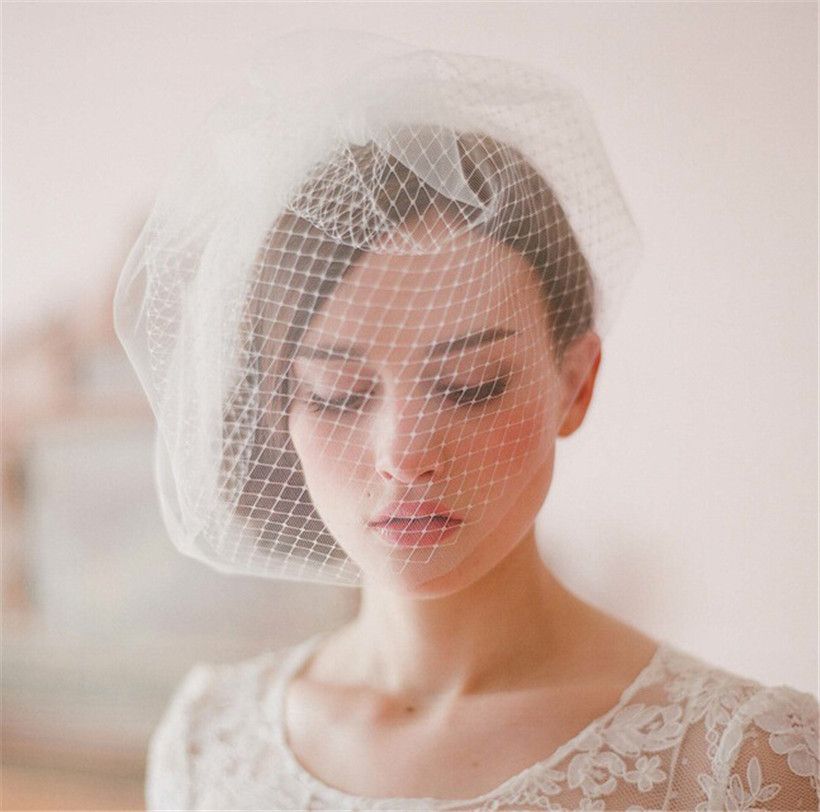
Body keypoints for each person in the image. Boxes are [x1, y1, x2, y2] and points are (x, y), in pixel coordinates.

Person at [114, 32, 819, 811]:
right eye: (338, 393)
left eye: (470, 385)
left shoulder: (743, 761)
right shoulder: (210, 743)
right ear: (280, 405)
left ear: (576, 384)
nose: (404, 454)